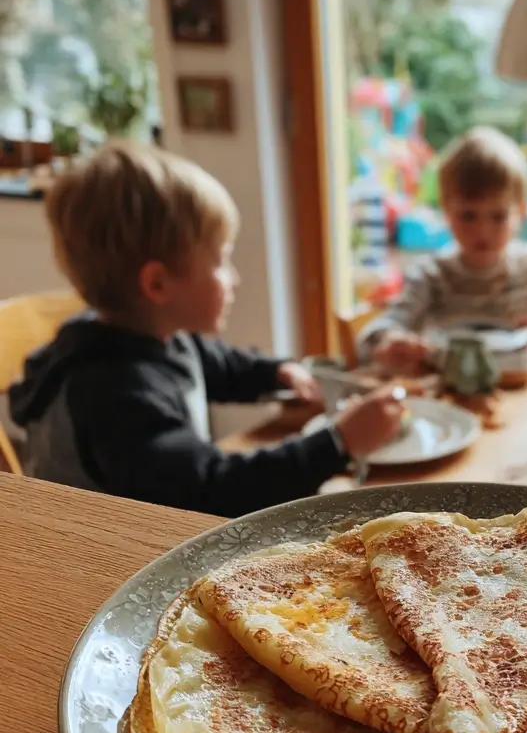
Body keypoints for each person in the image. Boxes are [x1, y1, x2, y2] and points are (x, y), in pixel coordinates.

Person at [9, 142, 404, 518]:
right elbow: (213, 491)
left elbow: (217, 364)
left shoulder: (153, 336)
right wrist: (337, 444)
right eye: (221, 261)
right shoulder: (114, 395)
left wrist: (276, 372)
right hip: (105, 559)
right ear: (158, 285)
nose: (234, 279)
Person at [361, 126, 527, 370]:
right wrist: (391, 341)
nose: (482, 231)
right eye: (468, 216)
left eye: (498, 216)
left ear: (520, 211)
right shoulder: (431, 277)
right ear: (447, 210)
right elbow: (370, 338)